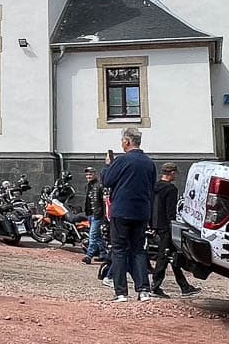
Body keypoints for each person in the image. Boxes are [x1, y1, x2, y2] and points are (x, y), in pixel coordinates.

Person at [102, 127, 154, 302]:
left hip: (122, 210)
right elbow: (151, 187)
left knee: (119, 250)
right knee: (138, 250)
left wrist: (108, 166)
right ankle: (144, 289)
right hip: (141, 211)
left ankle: (121, 292)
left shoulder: (122, 161)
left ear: (127, 141)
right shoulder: (149, 162)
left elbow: (107, 181)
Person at [148, 163, 198, 298]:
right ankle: (155, 286)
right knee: (164, 256)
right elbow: (171, 211)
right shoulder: (171, 189)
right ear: (172, 173)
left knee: (172, 254)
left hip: (156, 224)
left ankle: (185, 286)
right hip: (166, 226)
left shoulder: (154, 187)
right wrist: (173, 225)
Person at [81, 166, 106, 265]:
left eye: (90, 174)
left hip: (97, 215)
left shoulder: (99, 186)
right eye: (87, 174)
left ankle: (89, 255)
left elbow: (103, 202)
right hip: (90, 214)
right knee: (98, 236)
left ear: (95, 174)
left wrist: (102, 214)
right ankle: (104, 254)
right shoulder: (87, 186)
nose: (88, 176)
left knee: (93, 235)